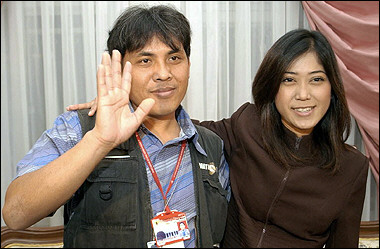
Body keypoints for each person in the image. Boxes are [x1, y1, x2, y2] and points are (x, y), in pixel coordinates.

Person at [71, 28, 370, 248]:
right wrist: (121, 107)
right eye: (288, 80)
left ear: (332, 88)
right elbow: (180, 126)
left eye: (316, 79)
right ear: (272, 88)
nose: (303, 95)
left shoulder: (352, 167)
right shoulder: (247, 125)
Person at [2, 4, 230, 248]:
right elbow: (16, 214)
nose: (163, 73)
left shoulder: (209, 146)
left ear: (188, 64)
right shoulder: (81, 128)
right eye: (145, 60)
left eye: (174, 58)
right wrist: (99, 140)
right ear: (120, 69)